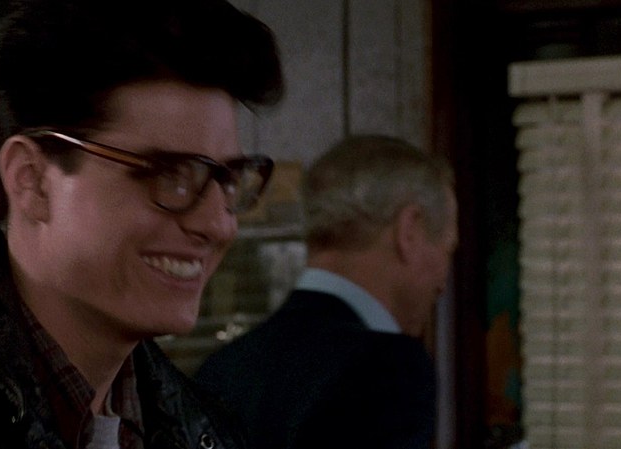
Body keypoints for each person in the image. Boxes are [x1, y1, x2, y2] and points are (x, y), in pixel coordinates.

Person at [0, 0, 283, 447]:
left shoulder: (203, 425)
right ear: (31, 180)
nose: (218, 226)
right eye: (170, 174)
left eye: (229, 179)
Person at [194, 135, 459, 449]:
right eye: (448, 249)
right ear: (409, 230)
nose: (443, 283)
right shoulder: (390, 371)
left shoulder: (222, 370)